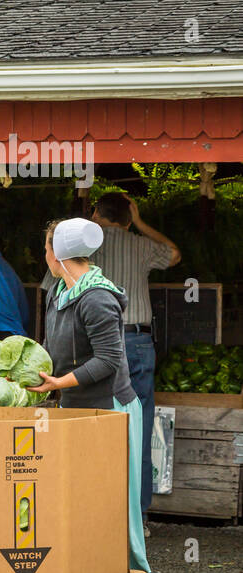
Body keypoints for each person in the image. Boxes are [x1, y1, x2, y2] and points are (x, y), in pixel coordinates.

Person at [27, 218, 150, 573]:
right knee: (81, 492)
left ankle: (124, 568)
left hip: (109, 409)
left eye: (47, 248)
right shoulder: (58, 292)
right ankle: (86, 566)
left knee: (113, 495)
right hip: (75, 407)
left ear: (58, 254)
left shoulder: (97, 298)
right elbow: (54, 347)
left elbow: (109, 360)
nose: (45, 255)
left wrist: (58, 384)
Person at [89, 191, 180, 533]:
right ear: (128, 217)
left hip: (99, 343)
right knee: (137, 427)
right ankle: (138, 518)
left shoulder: (85, 249)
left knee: (95, 422)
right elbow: (174, 254)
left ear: (97, 214)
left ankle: (98, 512)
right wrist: (140, 222)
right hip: (138, 341)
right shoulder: (141, 246)